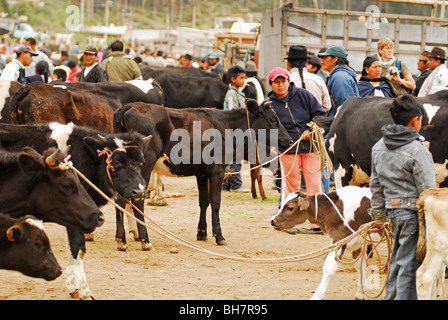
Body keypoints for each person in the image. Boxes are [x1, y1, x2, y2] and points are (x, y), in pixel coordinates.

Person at [370, 94, 436, 300]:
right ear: (415, 119)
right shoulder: (418, 150)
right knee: (409, 263)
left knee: (398, 260)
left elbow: (376, 185)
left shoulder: (378, 147)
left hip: (392, 214)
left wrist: (379, 216)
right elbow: (428, 191)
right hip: (413, 215)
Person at [267, 68, 326, 223]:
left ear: (288, 82)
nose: (280, 85)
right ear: (271, 85)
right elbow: (263, 129)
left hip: (310, 148)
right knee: (292, 187)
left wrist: (310, 130)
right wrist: (270, 146)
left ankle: (316, 222)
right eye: (276, 82)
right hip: (287, 150)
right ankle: (289, 221)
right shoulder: (268, 106)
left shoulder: (304, 95)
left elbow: (320, 115)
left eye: (283, 81)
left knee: (314, 185)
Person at [221, 65, 249, 193]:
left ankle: (226, 184)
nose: (243, 80)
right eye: (241, 78)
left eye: (244, 78)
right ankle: (236, 184)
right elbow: (232, 113)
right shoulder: (232, 94)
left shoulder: (238, 93)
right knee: (235, 157)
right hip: (233, 130)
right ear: (233, 79)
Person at [286, 45, 331, 113]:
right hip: (316, 122)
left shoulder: (285, 81)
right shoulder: (318, 80)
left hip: (292, 122)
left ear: (289, 63)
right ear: (306, 62)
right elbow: (327, 106)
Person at [318, 45, 359, 116]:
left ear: (335, 59)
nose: (322, 60)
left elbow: (344, 107)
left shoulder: (340, 77)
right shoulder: (338, 75)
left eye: (325, 57)